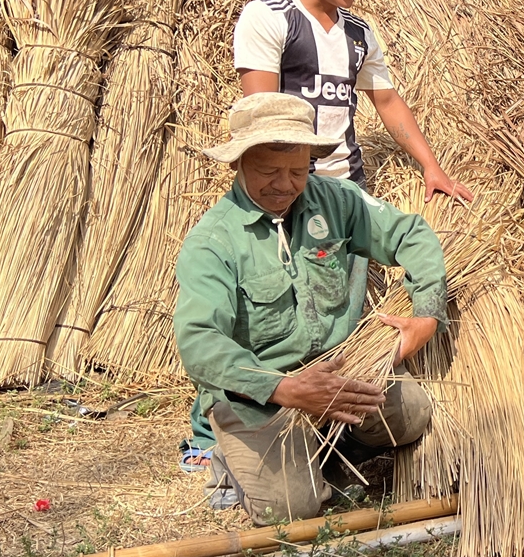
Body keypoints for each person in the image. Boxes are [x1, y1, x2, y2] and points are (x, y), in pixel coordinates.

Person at [180, 0, 471, 472]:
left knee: (335, 313)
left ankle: (336, 417)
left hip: (336, 182)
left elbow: (385, 100)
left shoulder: (361, 34)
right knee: (268, 315)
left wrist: (431, 168)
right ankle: (245, 421)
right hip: (288, 167)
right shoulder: (270, 19)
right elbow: (261, 113)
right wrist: (285, 169)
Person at [174, 92, 446, 524]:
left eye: (298, 171)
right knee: (289, 510)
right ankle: (236, 462)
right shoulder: (212, 244)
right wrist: (286, 390)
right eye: (268, 171)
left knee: (411, 414)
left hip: (341, 371)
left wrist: (427, 314)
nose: (284, 185)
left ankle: (328, 450)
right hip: (261, 396)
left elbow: (410, 234)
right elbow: (199, 342)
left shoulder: (336, 200)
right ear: (238, 163)